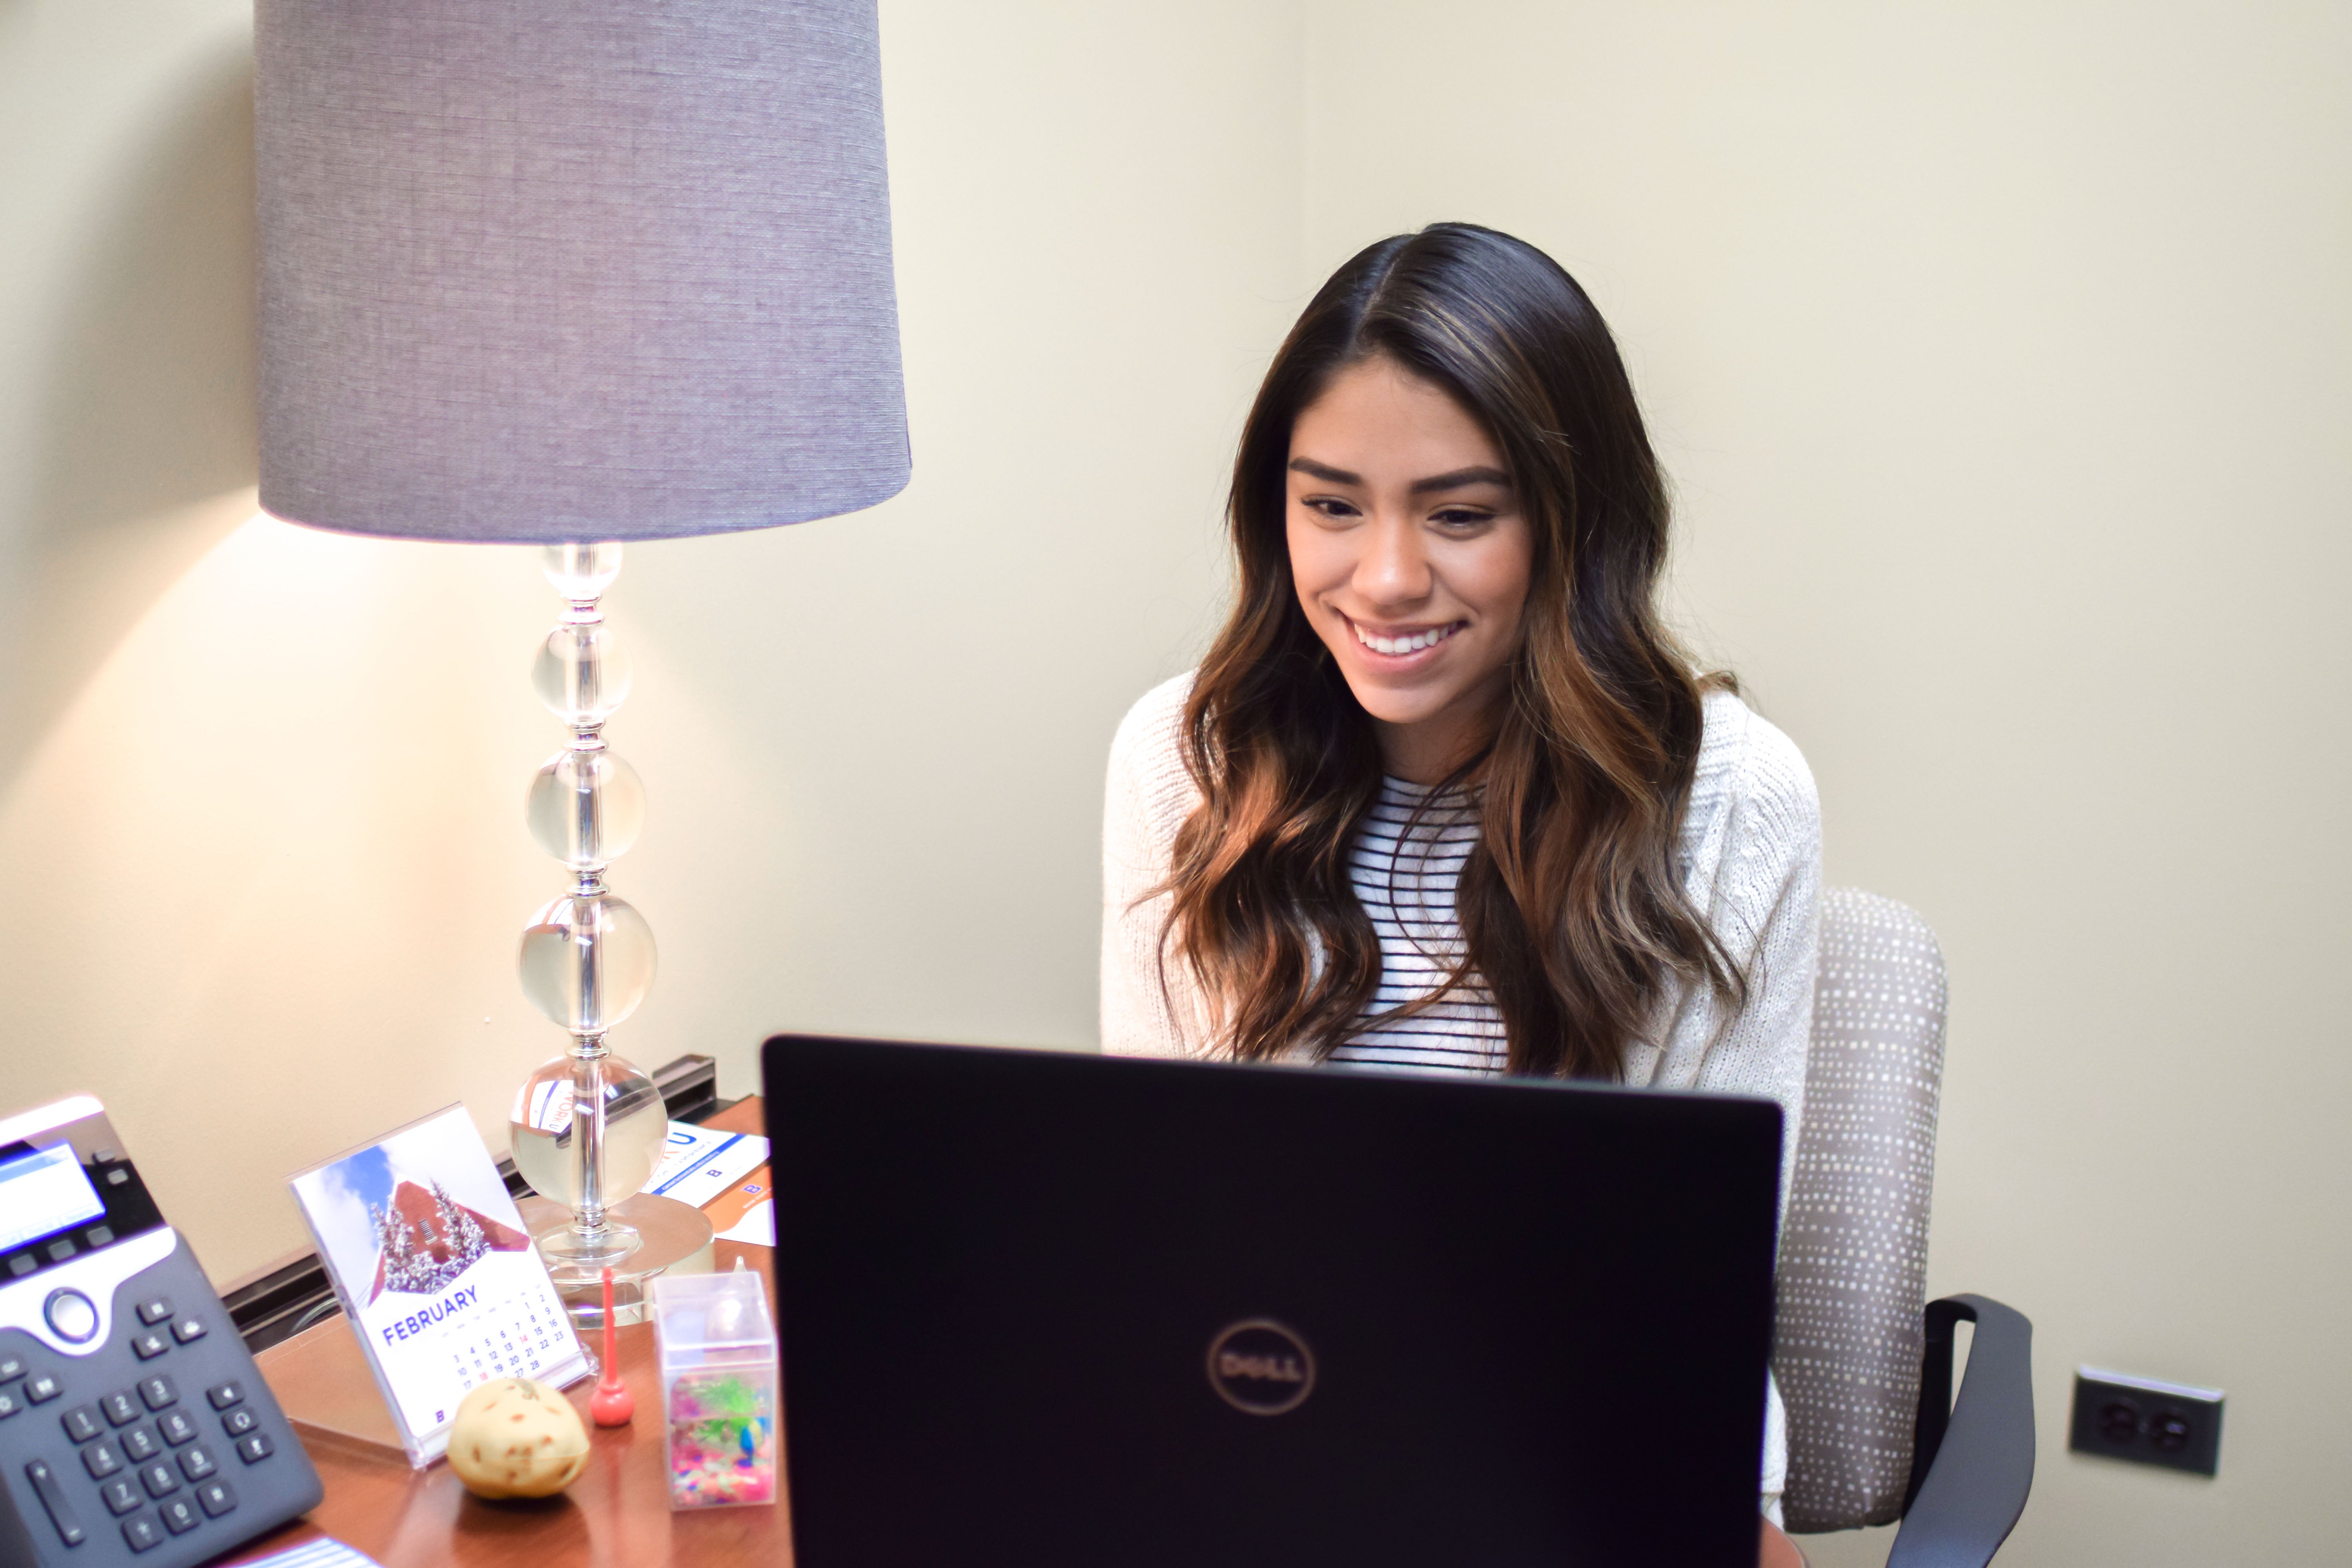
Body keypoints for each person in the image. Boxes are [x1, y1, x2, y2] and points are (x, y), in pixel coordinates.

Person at [1099, 223, 1819, 1568]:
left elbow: (1692, 1305)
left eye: (1460, 514)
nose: (1383, 579)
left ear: (1573, 524)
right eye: (1330, 504)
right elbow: (1168, 1224)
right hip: (1263, 1453)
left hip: (1595, 1473)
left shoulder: (1735, 802)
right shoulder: (1182, 760)